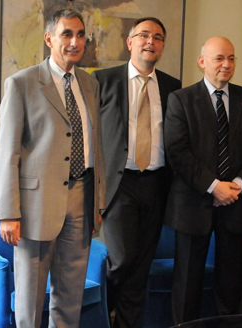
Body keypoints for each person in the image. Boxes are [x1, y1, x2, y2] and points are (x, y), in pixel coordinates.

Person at [0, 9, 105, 327]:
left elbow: (96, 145)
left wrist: (97, 201)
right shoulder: (21, 84)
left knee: (70, 297)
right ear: (49, 38)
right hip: (35, 206)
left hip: (82, 200)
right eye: (67, 34)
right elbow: (7, 152)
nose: (75, 41)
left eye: (81, 34)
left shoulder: (90, 85)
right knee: (30, 300)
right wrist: (8, 213)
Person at [164, 36, 242, 324]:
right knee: (187, 284)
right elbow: (177, 152)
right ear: (202, 62)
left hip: (235, 204)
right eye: (219, 58)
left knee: (231, 285)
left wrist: (236, 186)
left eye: (232, 58)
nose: (227, 64)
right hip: (192, 205)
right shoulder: (180, 99)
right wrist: (214, 186)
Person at [92, 17, 181, 328]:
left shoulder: (173, 87)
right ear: (130, 42)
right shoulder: (102, 81)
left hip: (156, 184)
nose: (150, 42)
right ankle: (102, 314)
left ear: (162, 46)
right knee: (121, 260)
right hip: (120, 184)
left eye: (157, 37)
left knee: (141, 266)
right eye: (143, 35)